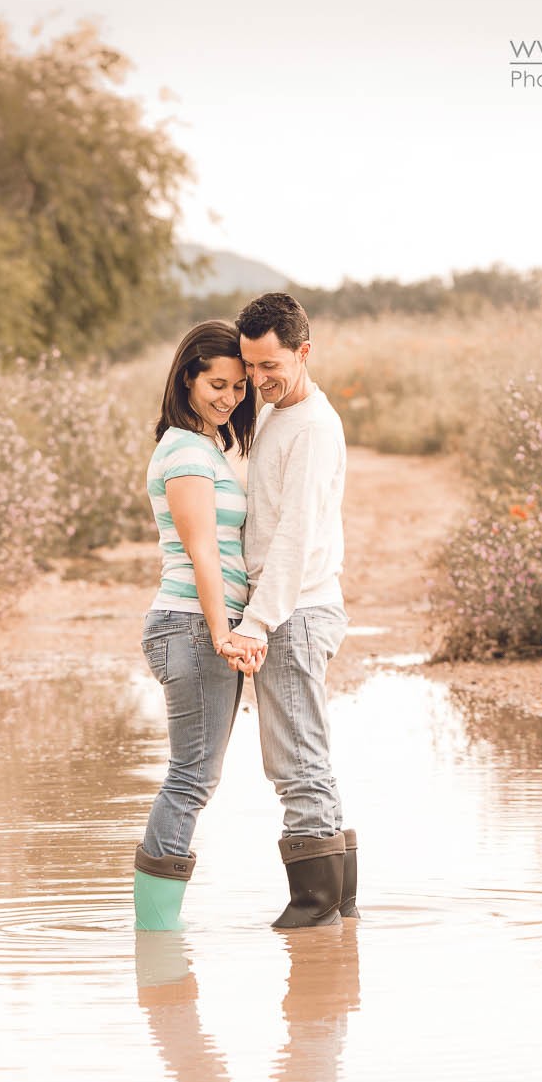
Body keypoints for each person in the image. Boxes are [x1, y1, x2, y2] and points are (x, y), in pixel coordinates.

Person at [219, 292, 359, 929]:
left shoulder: (313, 428)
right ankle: (337, 907)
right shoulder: (280, 411)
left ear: (304, 352)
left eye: (270, 365)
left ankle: (314, 909)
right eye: (249, 366)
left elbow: (296, 536)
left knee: (294, 760)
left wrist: (257, 622)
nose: (257, 379)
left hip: (296, 611)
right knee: (305, 756)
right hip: (294, 608)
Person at [133, 320, 263, 932]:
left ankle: (157, 930)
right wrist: (221, 631)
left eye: (239, 387)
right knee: (189, 779)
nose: (229, 397)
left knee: (192, 778)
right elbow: (202, 550)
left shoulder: (205, 446)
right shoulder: (186, 450)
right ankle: (156, 934)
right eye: (217, 383)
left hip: (192, 624)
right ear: (186, 377)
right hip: (191, 625)